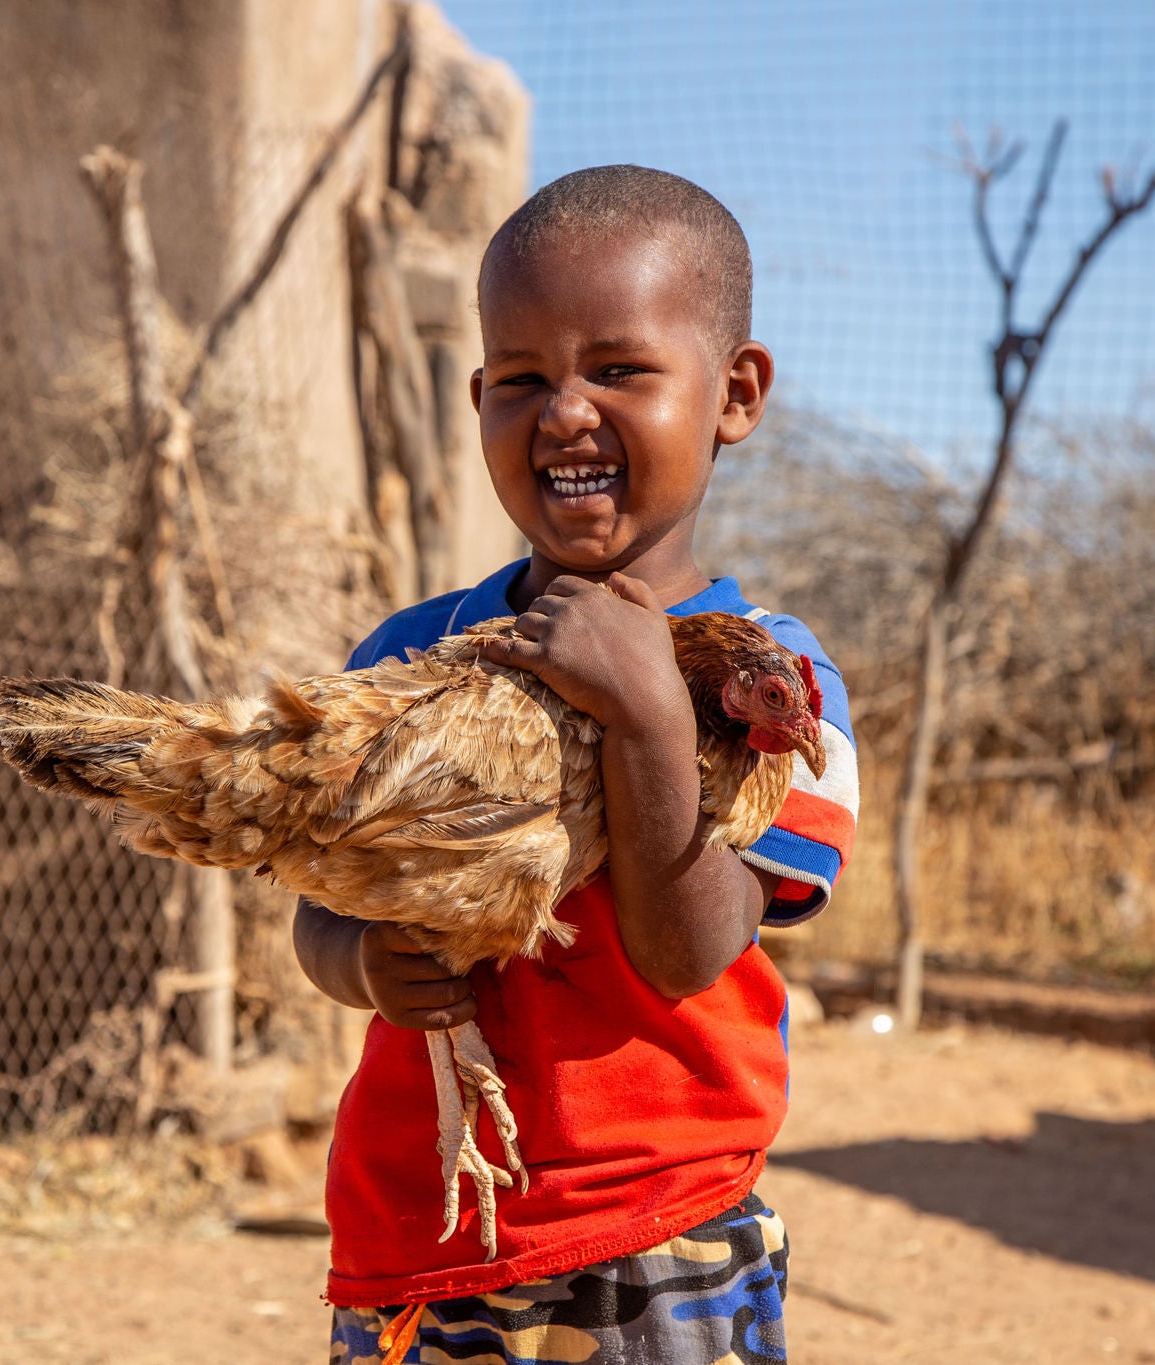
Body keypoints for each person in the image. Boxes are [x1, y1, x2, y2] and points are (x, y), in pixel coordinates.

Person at [294, 164, 858, 1365]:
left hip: (654, 1232)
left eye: (616, 369)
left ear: (735, 392)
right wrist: (370, 965)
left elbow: (687, 951)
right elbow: (317, 920)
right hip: (422, 1221)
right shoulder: (411, 654)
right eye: (521, 380)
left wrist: (652, 714)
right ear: (476, 399)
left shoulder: (775, 688)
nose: (562, 412)